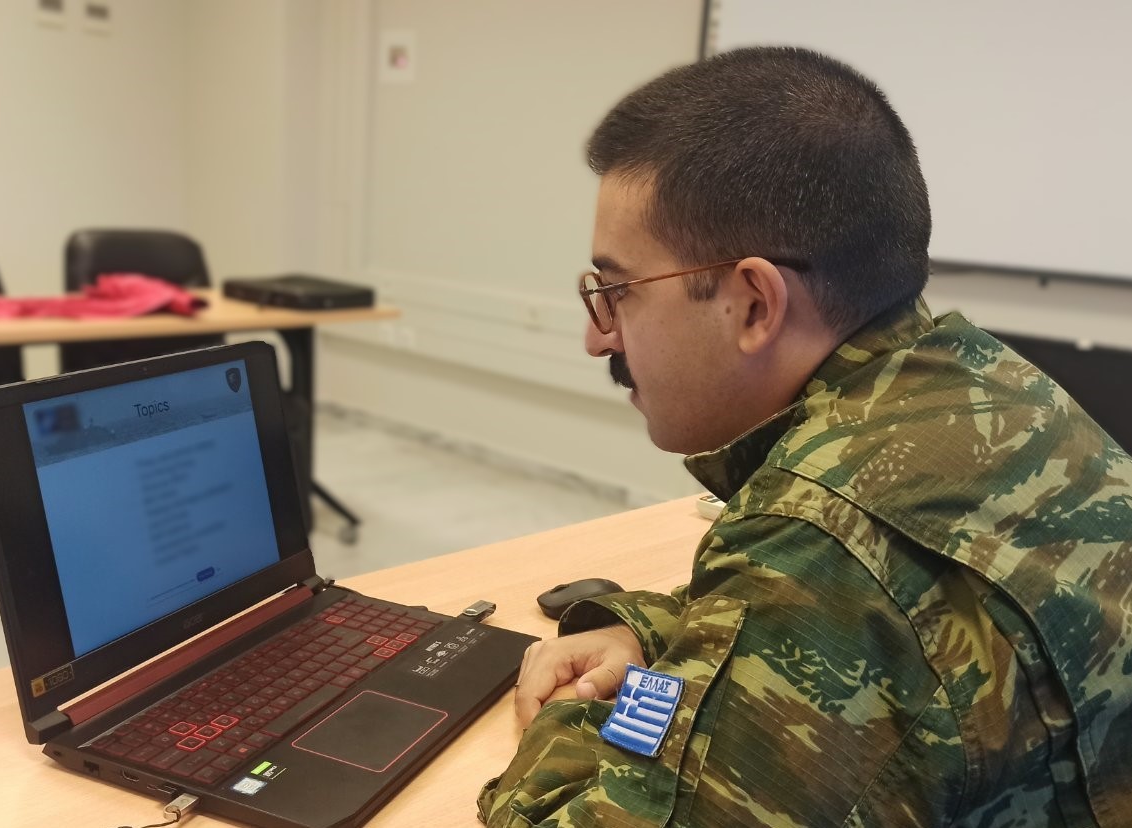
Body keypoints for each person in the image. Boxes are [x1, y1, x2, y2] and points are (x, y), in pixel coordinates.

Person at [477, 46, 1132, 827]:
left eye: (617, 290)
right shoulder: (990, 385)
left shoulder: (817, 541)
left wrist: (575, 714)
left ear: (754, 304)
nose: (598, 338)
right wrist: (650, 635)